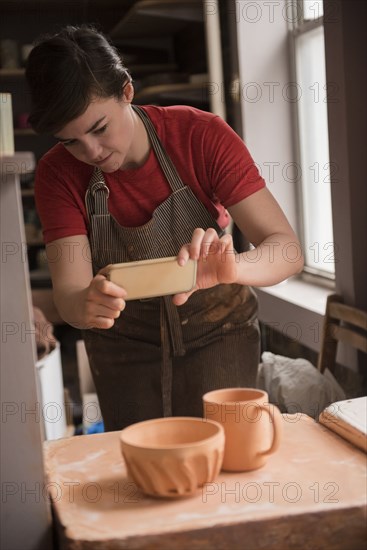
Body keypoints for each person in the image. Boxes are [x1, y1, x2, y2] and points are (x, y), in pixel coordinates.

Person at [25, 25, 304, 431]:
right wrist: (85, 306)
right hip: (122, 347)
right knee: (143, 474)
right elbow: (69, 294)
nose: (92, 153)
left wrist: (234, 269)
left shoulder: (200, 135)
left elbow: (286, 250)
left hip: (218, 330)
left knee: (224, 468)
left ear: (126, 91)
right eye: (70, 142)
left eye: (99, 128)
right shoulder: (57, 175)